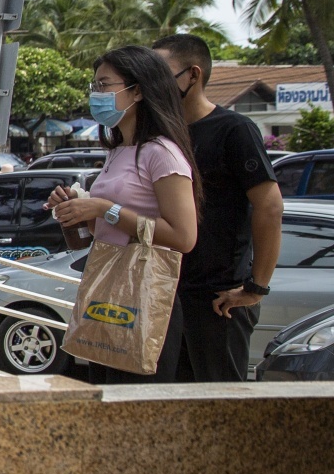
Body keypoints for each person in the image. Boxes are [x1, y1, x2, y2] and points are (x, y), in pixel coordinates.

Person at [47, 46, 200, 384]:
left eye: (104, 85)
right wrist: (74, 209)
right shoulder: (118, 152)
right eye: (95, 87)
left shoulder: (162, 154)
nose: (96, 95)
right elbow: (93, 236)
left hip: (145, 298)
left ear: (139, 90)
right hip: (109, 290)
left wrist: (105, 208)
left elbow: (183, 237)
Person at [153, 35, 280, 381]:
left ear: (192, 75)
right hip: (166, 292)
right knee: (173, 408)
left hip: (218, 298)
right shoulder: (161, 136)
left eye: (162, 75)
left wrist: (255, 288)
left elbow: (269, 208)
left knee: (221, 410)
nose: (153, 86)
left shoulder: (234, 130)